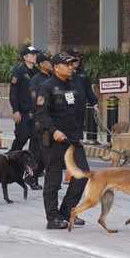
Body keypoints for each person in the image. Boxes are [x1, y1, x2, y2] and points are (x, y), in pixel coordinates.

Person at [35, 52, 90, 230]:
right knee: (53, 180)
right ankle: (53, 218)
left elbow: (79, 111)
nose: (71, 67)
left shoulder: (75, 84)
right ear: (56, 67)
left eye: (72, 64)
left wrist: (80, 135)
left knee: (82, 175)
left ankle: (67, 211)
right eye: (67, 65)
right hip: (55, 140)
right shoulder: (47, 87)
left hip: (73, 139)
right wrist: (53, 130)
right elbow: (41, 113)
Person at [9, 45, 42, 190]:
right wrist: (15, 110)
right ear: (25, 57)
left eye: (35, 54)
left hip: (34, 113)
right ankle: (9, 161)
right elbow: (13, 93)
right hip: (22, 112)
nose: (35, 56)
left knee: (36, 141)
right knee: (22, 138)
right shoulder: (19, 71)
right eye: (32, 54)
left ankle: (31, 175)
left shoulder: (37, 72)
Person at [28, 50, 54, 186]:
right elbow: (35, 101)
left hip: (52, 119)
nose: (51, 64)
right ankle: (32, 176)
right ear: (42, 64)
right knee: (40, 152)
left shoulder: (53, 77)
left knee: (49, 151)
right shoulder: (36, 80)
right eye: (49, 61)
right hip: (41, 119)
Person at [66, 48, 100, 121]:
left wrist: (94, 104)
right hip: (67, 111)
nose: (77, 59)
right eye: (75, 57)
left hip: (80, 110)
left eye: (78, 57)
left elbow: (88, 89)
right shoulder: (64, 72)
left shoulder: (82, 72)